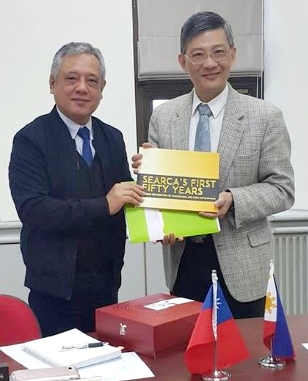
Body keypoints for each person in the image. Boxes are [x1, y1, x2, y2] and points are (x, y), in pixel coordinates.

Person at [132, 11, 295, 318]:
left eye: (218, 52)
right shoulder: (164, 117)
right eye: (198, 55)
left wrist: (233, 199)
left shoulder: (265, 116)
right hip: (184, 261)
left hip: (243, 265)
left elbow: (283, 189)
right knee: (187, 356)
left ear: (232, 55)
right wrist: (151, 180)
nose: (209, 63)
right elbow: (156, 192)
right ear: (183, 62)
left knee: (246, 359)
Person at [9, 42, 145, 336]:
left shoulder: (112, 138)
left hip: (106, 287)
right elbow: (34, 210)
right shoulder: (30, 139)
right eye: (72, 78)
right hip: (55, 293)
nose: (82, 88)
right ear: (52, 83)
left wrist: (158, 216)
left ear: (102, 88)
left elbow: (126, 201)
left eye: (92, 80)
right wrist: (104, 204)